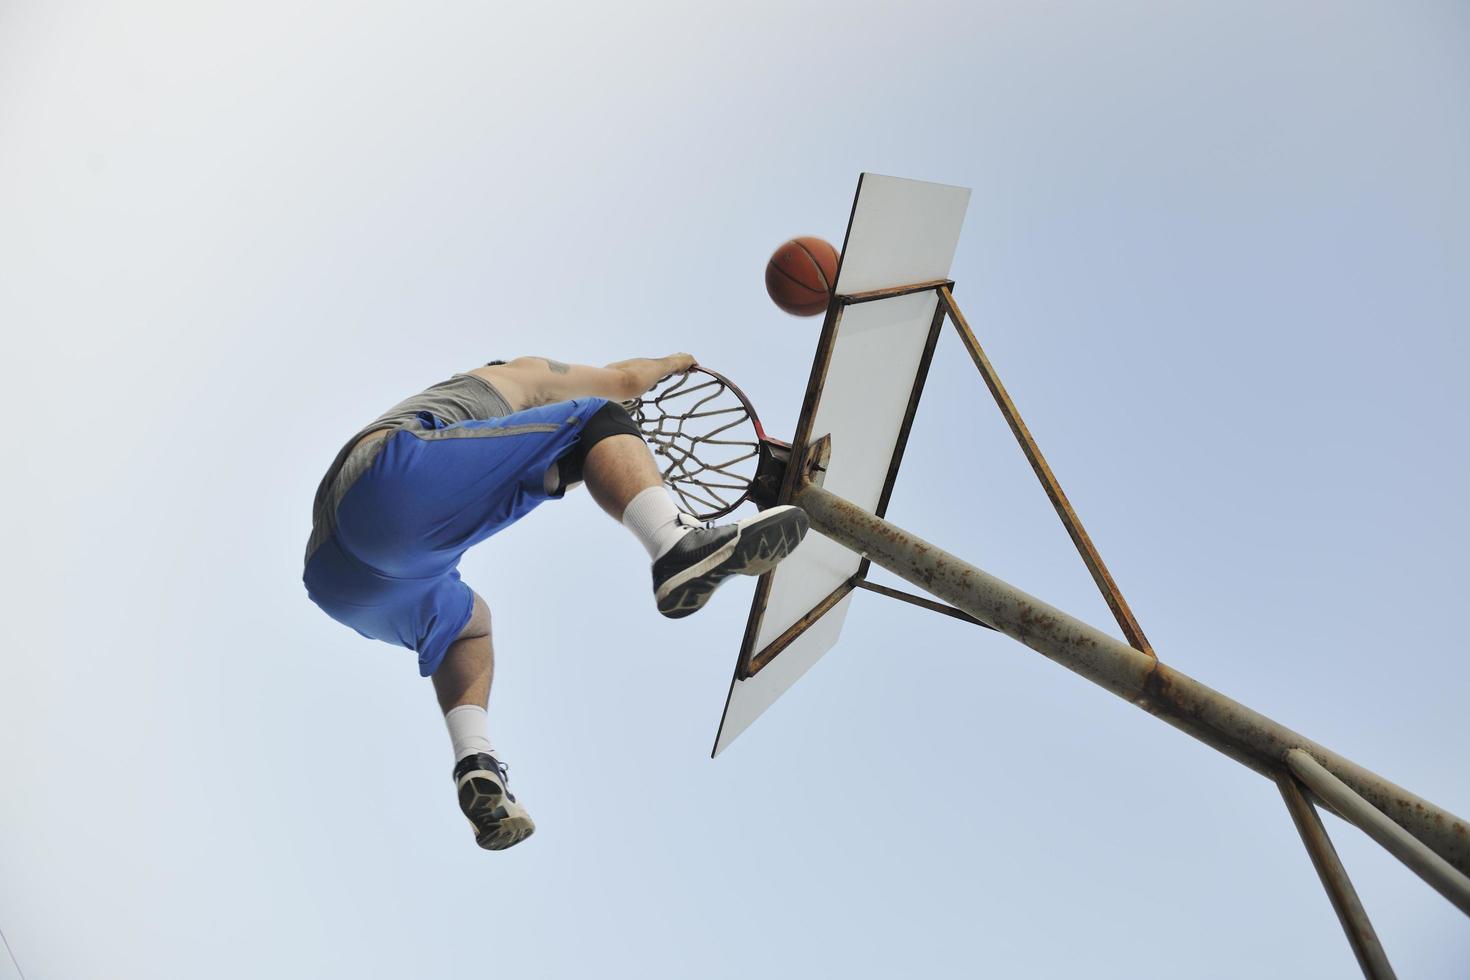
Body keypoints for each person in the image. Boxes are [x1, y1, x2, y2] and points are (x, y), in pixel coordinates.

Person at [302, 354, 809, 850]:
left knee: (469, 626)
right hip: (387, 487)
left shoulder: (477, 444)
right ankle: (673, 544)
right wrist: (672, 363)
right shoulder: (501, 378)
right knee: (594, 417)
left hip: (339, 580)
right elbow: (624, 380)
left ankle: (475, 758)